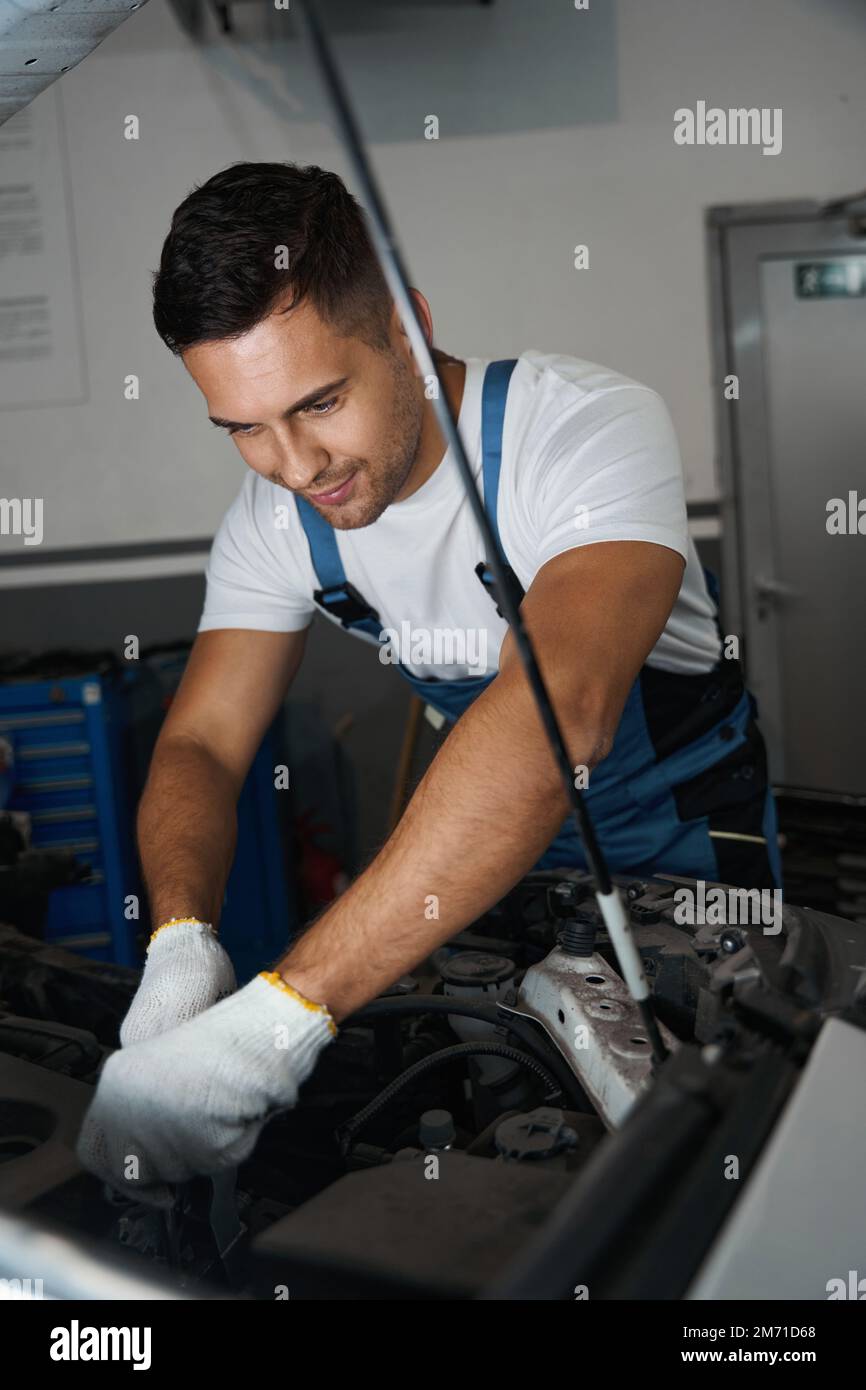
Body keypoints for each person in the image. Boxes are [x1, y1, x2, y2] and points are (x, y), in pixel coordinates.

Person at [76, 162, 781, 1203]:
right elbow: (202, 745)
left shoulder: (578, 431)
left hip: (684, 852)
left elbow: (556, 721)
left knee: (709, 1159)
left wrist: (279, 1017)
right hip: (487, 855)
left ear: (403, 323)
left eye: (319, 401)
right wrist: (182, 941)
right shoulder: (275, 521)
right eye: (242, 427)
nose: (295, 464)